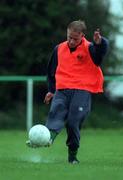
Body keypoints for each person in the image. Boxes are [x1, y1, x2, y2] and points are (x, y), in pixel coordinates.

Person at [27, 20, 109, 164]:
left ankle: (72, 155)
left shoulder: (90, 48)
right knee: (55, 112)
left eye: (75, 39)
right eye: (69, 37)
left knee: (72, 123)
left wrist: (100, 43)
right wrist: (51, 90)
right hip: (63, 89)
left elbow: (99, 57)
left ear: (82, 36)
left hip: (82, 90)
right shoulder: (59, 48)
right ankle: (47, 139)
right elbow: (51, 71)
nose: (71, 41)